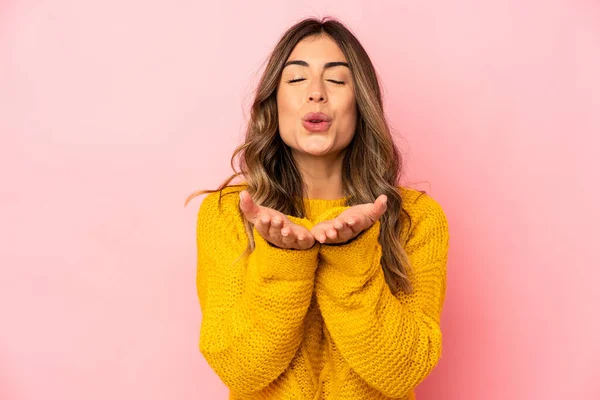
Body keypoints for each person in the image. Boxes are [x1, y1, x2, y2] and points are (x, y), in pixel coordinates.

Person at [186, 16, 450, 400]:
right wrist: (283, 261)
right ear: (272, 104)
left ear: (362, 103)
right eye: (295, 79)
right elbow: (239, 368)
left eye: (338, 80)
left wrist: (350, 254)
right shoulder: (228, 213)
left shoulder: (416, 218)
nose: (316, 93)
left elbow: (405, 369)